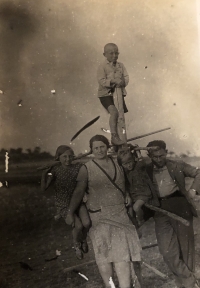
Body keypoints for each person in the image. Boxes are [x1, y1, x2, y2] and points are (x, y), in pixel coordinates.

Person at [66, 135, 142, 288]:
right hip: (99, 218)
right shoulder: (86, 168)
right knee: (104, 258)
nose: (99, 150)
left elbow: (124, 182)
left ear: (107, 147)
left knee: (123, 257)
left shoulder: (117, 163)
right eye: (96, 148)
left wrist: (126, 193)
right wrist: (70, 212)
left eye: (102, 147)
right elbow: (79, 191)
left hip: (120, 215)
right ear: (91, 150)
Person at [145, 140, 200, 288]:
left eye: (161, 155)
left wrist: (194, 190)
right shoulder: (145, 169)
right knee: (167, 250)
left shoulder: (177, 164)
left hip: (180, 206)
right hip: (160, 211)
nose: (158, 159)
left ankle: (183, 285)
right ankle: (190, 281)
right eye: (154, 157)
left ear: (166, 152)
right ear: (149, 155)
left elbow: (198, 172)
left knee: (186, 249)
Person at [41, 145, 91, 260]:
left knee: (87, 223)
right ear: (58, 157)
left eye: (70, 156)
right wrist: (44, 174)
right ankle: (76, 244)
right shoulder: (54, 171)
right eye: (64, 157)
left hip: (77, 201)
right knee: (78, 225)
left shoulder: (77, 167)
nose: (67, 159)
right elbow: (44, 188)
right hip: (64, 203)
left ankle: (83, 238)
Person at [117, 145, 159, 226]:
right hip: (134, 195)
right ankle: (133, 223)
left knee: (136, 207)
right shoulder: (125, 172)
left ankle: (141, 220)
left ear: (133, 159)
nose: (128, 165)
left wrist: (137, 151)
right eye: (125, 164)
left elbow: (141, 160)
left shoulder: (138, 166)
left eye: (130, 162)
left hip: (144, 193)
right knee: (129, 209)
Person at [97, 43, 129, 146]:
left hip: (118, 94)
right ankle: (114, 136)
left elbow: (126, 77)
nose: (114, 56)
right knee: (114, 113)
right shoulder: (102, 66)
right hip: (106, 94)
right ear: (104, 54)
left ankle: (122, 138)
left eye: (116, 53)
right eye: (111, 53)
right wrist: (113, 81)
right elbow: (102, 81)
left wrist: (122, 82)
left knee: (121, 115)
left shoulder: (121, 65)